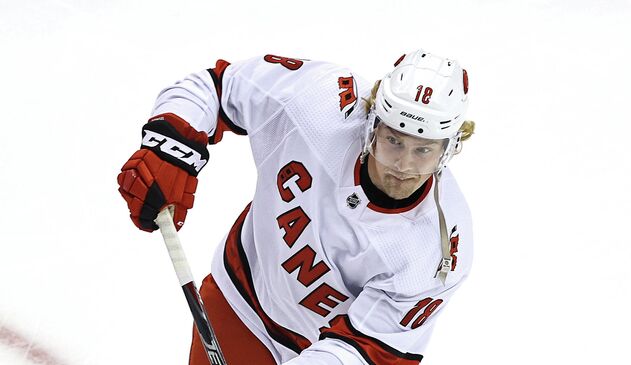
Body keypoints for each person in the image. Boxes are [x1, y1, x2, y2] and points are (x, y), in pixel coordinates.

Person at [117, 49, 475, 365]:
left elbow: (366, 350)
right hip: (240, 302)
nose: (404, 165)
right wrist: (171, 146)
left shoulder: (438, 249)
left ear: (449, 150)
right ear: (371, 127)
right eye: (393, 141)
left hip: (327, 348)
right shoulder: (318, 101)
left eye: (423, 150)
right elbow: (217, 86)